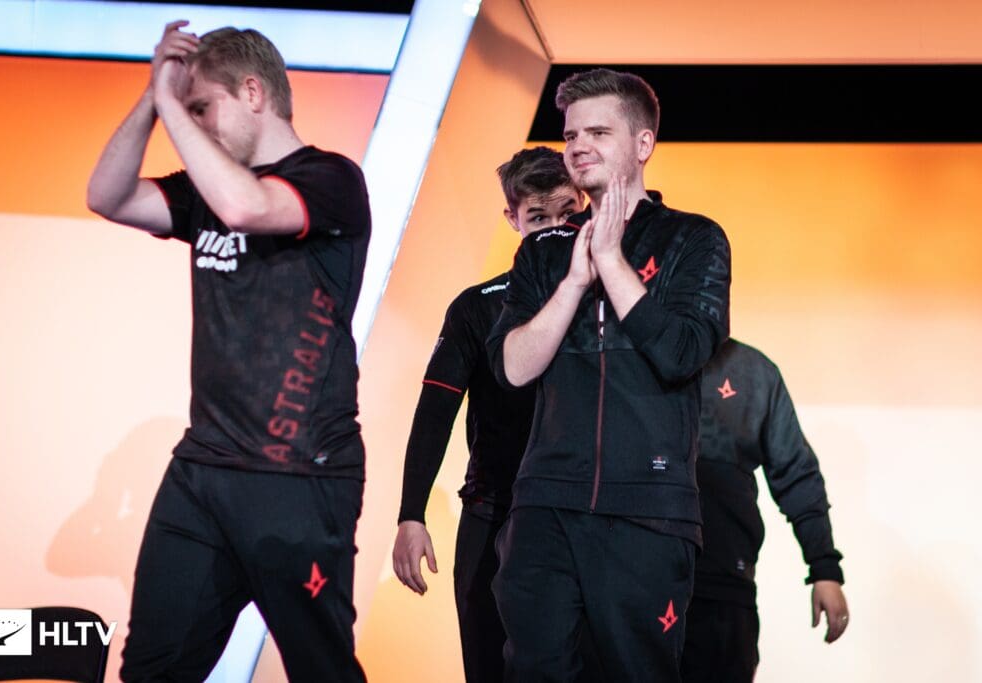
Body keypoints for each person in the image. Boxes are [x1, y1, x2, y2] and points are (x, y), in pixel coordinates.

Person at [86, 21, 370, 682]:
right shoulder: (206, 192)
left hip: (298, 477)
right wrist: (151, 98)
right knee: (151, 670)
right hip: (202, 472)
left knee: (321, 670)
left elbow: (246, 207)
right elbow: (106, 195)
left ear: (253, 92)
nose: (189, 126)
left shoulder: (331, 178)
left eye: (201, 108)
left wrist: (170, 103)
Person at [486, 68, 731, 682]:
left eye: (598, 132)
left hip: (648, 511)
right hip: (544, 506)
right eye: (571, 135)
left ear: (643, 143)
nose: (578, 146)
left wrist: (611, 261)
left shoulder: (694, 239)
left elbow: (681, 353)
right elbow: (513, 367)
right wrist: (574, 281)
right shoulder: (542, 252)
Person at [392, 147, 584, 683]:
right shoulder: (478, 306)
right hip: (494, 512)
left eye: (567, 213)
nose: (555, 229)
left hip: (586, 515)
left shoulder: (611, 301)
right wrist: (410, 514)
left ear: (585, 204)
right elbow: (436, 411)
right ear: (512, 219)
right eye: (538, 217)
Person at [681, 338, 849, 682]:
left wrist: (824, 568)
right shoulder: (626, 354)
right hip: (634, 583)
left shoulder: (754, 371)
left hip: (725, 583)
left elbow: (797, 475)